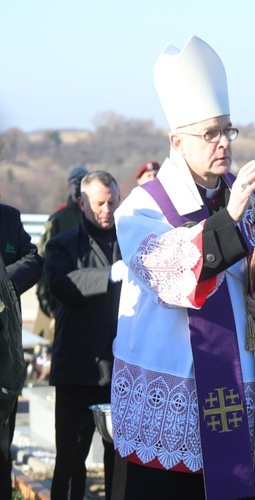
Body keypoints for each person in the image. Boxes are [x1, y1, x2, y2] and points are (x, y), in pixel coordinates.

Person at [110, 36, 255, 499]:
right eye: (210, 133)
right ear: (177, 140)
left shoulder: (254, 206)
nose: (223, 143)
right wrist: (229, 221)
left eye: (228, 130)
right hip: (177, 406)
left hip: (243, 399)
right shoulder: (143, 209)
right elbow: (169, 272)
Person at [45, 171, 122, 500]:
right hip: (78, 367)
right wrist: (109, 275)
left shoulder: (129, 242)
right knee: (71, 460)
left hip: (119, 369)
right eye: (99, 203)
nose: (107, 210)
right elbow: (62, 285)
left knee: (119, 462)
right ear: (82, 203)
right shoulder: (62, 244)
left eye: (112, 202)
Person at [0, 202, 43, 499]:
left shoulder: (9, 217)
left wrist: (4, 282)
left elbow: (33, 259)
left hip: (6, 355)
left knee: (3, 449)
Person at [34, 165, 88, 339]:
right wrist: (42, 292)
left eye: (83, 183)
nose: (78, 187)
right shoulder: (57, 220)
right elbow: (43, 257)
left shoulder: (97, 216)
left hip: (91, 291)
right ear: (69, 187)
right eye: (75, 183)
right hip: (61, 293)